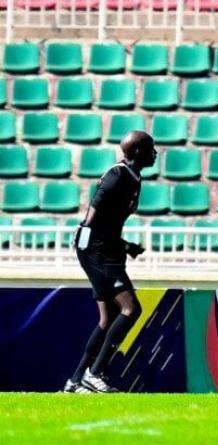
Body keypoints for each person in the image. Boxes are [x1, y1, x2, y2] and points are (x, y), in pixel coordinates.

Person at [63, 131, 157, 393]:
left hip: (108, 248)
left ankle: (75, 380)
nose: (155, 153)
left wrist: (124, 245)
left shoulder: (134, 177)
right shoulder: (117, 176)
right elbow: (93, 219)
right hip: (97, 249)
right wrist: (108, 244)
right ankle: (96, 373)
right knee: (131, 309)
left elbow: (109, 222)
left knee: (109, 318)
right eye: (150, 148)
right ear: (137, 152)